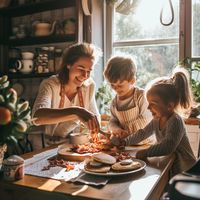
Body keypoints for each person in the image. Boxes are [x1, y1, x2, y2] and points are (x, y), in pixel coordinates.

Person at [111, 66, 196, 176]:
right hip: (173, 166)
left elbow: (167, 147)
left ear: (169, 106)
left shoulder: (175, 121)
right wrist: (125, 142)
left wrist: (145, 152)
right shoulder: (157, 119)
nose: (148, 108)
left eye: (153, 104)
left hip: (187, 171)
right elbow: (143, 133)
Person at [30, 42, 102, 150]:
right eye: (81, 69)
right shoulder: (50, 84)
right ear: (68, 64)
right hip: (45, 147)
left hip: (73, 146)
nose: (85, 76)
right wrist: (76, 112)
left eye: (89, 71)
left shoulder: (88, 86)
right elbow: (37, 117)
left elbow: (94, 118)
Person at [104, 55, 154, 144]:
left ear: (132, 81)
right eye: (112, 85)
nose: (116, 88)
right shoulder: (114, 103)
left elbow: (146, 121)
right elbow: (113, 120)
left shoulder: (141, 96)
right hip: (126, 143)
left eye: (120, 85)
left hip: (145, 143)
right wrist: (115, 129)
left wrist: (126, 132)